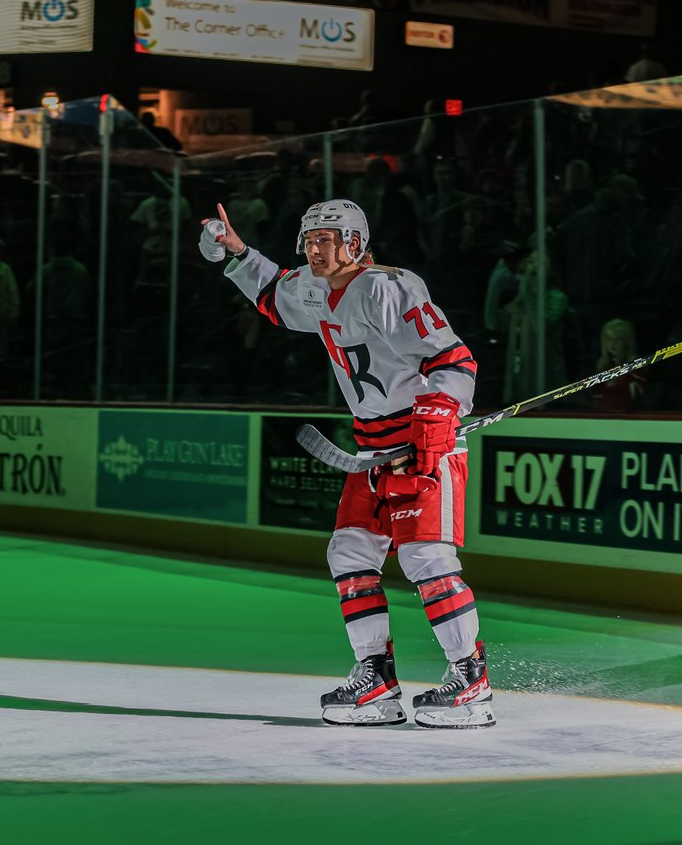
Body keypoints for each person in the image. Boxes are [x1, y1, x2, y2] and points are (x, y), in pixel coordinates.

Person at [199, 198, 494, 729]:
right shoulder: (316, 289)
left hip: (425, 444)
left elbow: (454, 359)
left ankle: (470, 680)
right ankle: (376, 679)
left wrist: (437, 412)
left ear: (354, 243)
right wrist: (234, 252)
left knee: (426, 557)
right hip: (372, 451)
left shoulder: (387, 286)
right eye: (309, 239)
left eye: (326, 238)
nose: (314, 248)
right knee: (350, 553)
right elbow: (273, 294)